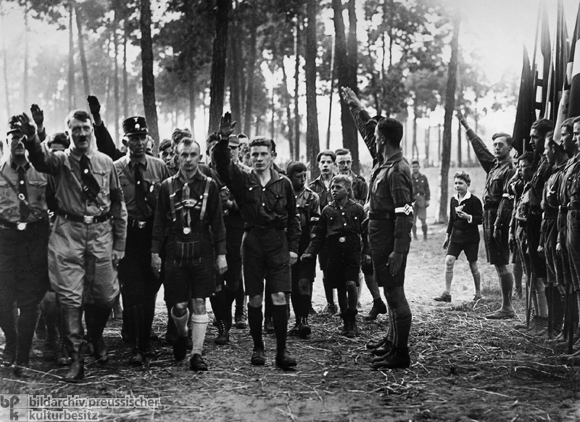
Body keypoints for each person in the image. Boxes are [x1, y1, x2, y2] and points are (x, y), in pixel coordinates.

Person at [22, 109, 128, 382]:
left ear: (92, 130)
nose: (81, 133)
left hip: (102, 233)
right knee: (69, 299)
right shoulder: (59, 161)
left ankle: (95, 335)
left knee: (105, 295)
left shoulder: (106, 163)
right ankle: (77, 359)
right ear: (68, 132)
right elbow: (39, 158)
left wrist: (120, 243)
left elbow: (118, 204)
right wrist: (33, 136)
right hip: (68, 233)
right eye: (76, 129)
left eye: (86, 128)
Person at [214, 113, 301, 370]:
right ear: (248, 156)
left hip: (277, 243)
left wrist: (294, 248)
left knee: (279, 298)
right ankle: (258, 347)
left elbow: (294, 218)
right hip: (252, 242)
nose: (259, 158)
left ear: (273, 155)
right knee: (254, 299)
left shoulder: (284, 183)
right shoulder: (243, 179)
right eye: (254, 154)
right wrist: (222, 139)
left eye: (264, 154)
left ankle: (282, 350)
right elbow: (222, 166)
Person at [341, 87, 414, 369]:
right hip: (380, 237)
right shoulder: (385, 164)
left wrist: (398, 250)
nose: (372, 137)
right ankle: (392, 341)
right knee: (389, 292)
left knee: (395, 294)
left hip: (390, 241)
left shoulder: (397, 171)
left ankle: (401, 352)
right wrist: (356, 103)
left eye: (375, 136)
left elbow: (405, 213)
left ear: (382, 139)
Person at [151, 137, 227, 371]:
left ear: (199, 157)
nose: (188, 160)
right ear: (176, 157)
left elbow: (218, 222)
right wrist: (155, 252)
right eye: (183, 155)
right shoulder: (166, 186)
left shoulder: (209, 185)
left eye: (193, 155)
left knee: (199, 303)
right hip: (175, 251)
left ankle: (196, 353)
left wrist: (221, 254)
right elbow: (158, 224)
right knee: (179, 307)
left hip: (202, 249)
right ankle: (183, 334)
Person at [114, 116, 170, 366]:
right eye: (133, 138)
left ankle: (143, 340)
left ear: (148, 139)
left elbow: (168, 204)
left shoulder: (159, 168)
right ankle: (138, 346)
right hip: (128, 237)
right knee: (133, 290)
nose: (138, 143)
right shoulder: (115, 169)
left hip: (153, 237)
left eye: (142, 138)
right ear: (125, 140)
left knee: (149, 291)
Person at [0, 115, 50, 376]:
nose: (19, 142)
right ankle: (11, 339)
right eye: (14, 137)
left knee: (30, 301)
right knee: (2, 300)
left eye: (22, 137)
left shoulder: (43, 172)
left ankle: (23, 357)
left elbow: (57, 205)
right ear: (7, 141)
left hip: (34, 239)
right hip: (5, 240)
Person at [456, 109, 516, 320]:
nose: (497, 147)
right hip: (490, 217)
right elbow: (480, 148)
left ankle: (507, 307)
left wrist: (501, 223)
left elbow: (508, 199)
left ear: (510, 147)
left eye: (501, 145)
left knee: (502, 262)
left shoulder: (510, 169)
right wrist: (466, 126)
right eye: (496, 145)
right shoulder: (494, 166)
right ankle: (506, 305)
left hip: (500, 216)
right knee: (498, 263)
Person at [302, 175, 367, 337]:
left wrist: (367, 252)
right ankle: (346, 321)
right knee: (339, 286)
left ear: (348, 190)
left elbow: (366, 233)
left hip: (352, 251)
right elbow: (319, 236)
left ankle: (352, 317)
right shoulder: (327, 210)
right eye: (332, 187)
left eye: (338, 187)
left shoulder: (357, 209)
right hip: (334, 252)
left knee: (352, 284)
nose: (334, 190)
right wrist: (310, 252)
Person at [433, 171, 483, 302]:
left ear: (467, 184)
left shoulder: (474, 200)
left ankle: (478, 294)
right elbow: (451, 220)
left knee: (473, 265)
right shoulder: (453, 199)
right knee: (448, 261)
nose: (457, 186)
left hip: (471, 238)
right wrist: (447, 235)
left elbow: (480, 219)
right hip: (456, 236)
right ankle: (447, 293)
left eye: (460, 183)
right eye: (455, 183)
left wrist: (468, 217)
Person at [539, 132, 568, 337]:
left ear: (554, 148)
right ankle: (556, 325)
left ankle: (567, 328)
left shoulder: (565, 171)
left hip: (559, 226)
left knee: (562, 280)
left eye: (546, 148)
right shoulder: (552, 172)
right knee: (551, 278)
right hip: (548, 227)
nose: (544, 153)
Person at [286, 161, 320, 338]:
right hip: (289, 244)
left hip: (306, 243)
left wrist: (311, 249)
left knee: (304, 282)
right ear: (290, 177)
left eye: (304, 176)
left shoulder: (312, 197)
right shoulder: (285, 195)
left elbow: (315, 225)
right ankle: (297, 321)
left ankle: (304, 320)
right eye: (298, 176)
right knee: (292, 285)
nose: (302, 179)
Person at [309, 150, 338, 315]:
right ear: (318, 165)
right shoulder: (313, 187)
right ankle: (330, 303)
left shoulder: (341, 183)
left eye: (329, 162)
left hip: (340, 233)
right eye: (323, 162)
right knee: (326, 269)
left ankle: (346, 303)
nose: (326, 165)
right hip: (323, 236)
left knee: (341, 268)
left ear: (334, 164)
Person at [411, 160, 431, 241]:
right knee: (413, 220)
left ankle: (425, 237)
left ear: (419, 167)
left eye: (416, 166)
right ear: (411, 168)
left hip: (421, 199)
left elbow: (427, 189)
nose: (415, 168)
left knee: (423, 219)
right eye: (413, 167)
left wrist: (427, 200)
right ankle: (415, 237)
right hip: (412, 200)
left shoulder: (423, 177)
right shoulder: (409, 178)